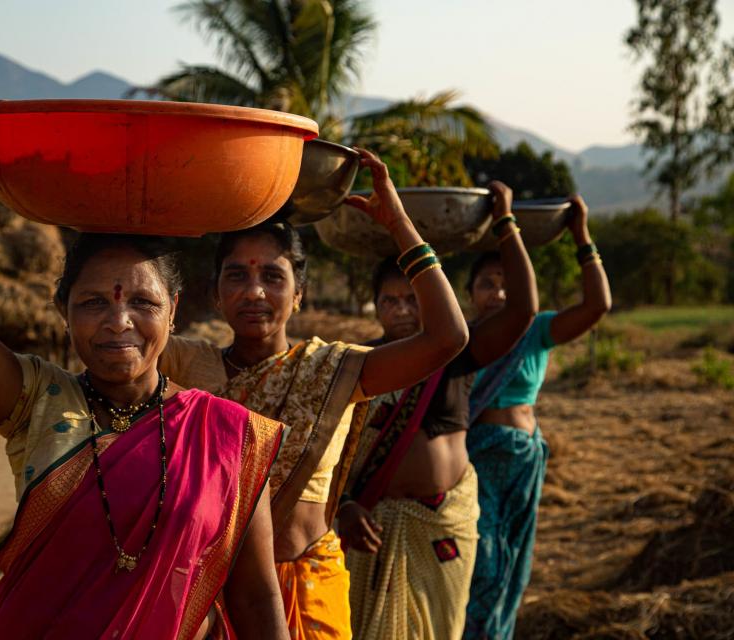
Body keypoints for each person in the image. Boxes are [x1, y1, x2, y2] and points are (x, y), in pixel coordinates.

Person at [0, 91, 290, 640]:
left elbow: (255, 594)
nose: (118, 322)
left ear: (174, 312)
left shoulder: (229, 435)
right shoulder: (36, 401)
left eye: (142, 303)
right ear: (62, 311)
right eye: (93, 303)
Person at [160, 150, 470, 639]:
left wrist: (402, 227)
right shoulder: (185, 363)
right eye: (236, 275)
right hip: (212, 595)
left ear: (299, 293)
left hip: (310, 590)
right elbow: (122, 332)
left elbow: (447, 338)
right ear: (216, 294)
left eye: (273, 277)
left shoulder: (337, 367)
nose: (255, 292)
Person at [337, 182, 538, 640]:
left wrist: (506, 222)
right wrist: (345, 506)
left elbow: (524, 310)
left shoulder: (455, 351)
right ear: (377, 306)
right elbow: (330, 453)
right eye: (391, 301)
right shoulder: (356, 363)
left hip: (443, 524)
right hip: (372, 529)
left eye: (414, 298)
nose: (403, 310)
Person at [462, 195, 612, 640]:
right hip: (477, 459)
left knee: (513, 562)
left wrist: (581, 234)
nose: (499, 294)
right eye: (488, 283)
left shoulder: (536, 330)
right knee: (483, 559)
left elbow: (597, 304)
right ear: (470, 293)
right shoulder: (460, 336)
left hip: (526, 460)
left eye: (508, 283)